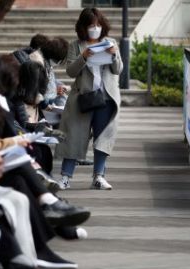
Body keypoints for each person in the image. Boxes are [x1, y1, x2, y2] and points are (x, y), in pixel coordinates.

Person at [56, 7, 123, 190]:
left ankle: (99, 176)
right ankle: (65, 177)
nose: (95, 28)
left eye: (98, 25)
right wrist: (83, 57)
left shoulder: (110, 42)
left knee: (103, 138)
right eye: (91, 25)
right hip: (82, 98)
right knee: (74, 136)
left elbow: (118, 70)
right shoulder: (75, 45)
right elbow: (70, 72)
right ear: (83, 27)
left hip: (106, 99)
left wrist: (114, 54)